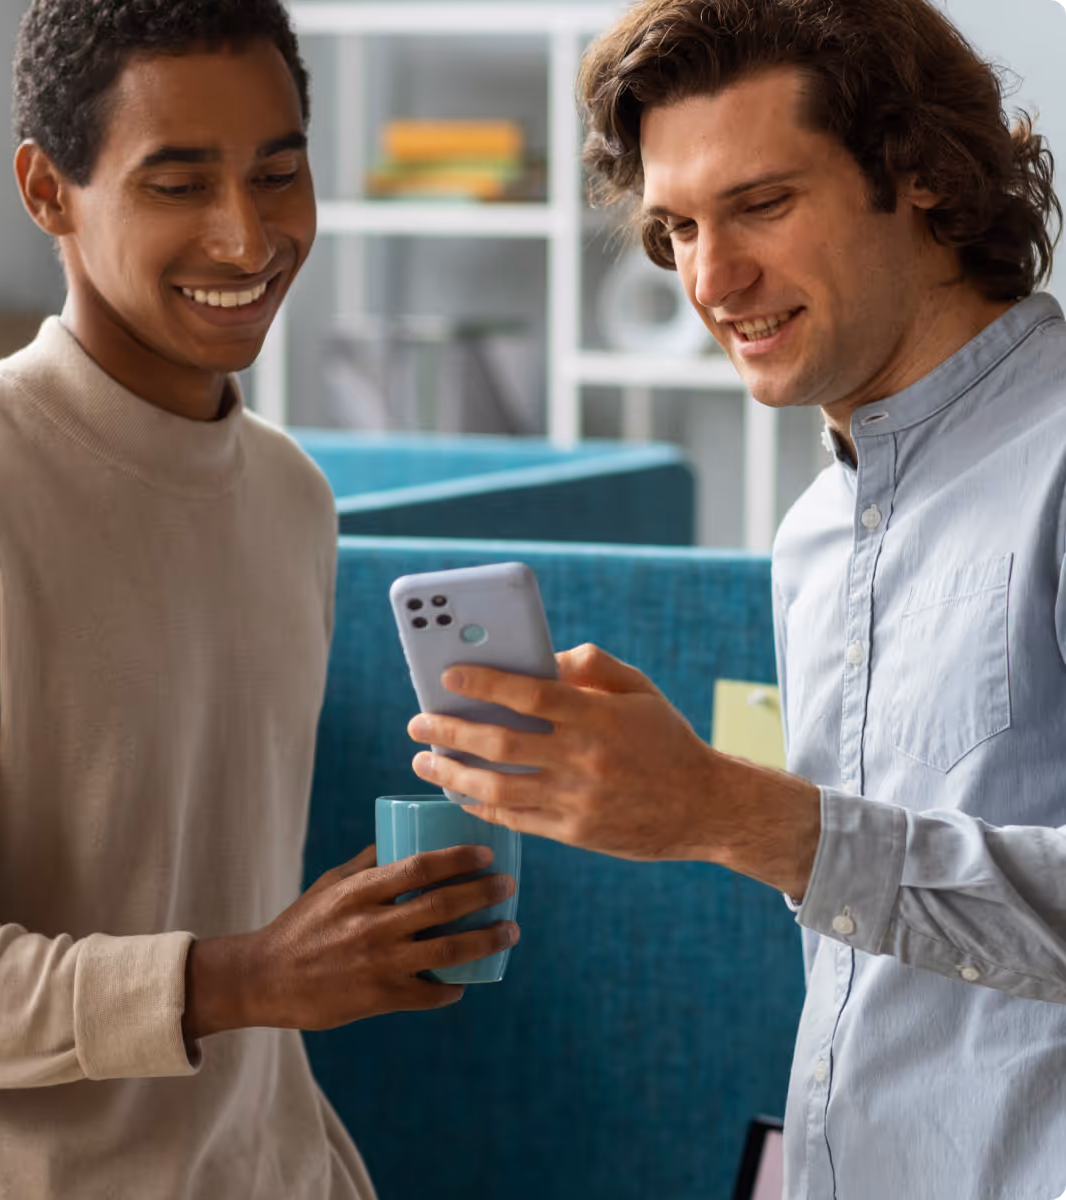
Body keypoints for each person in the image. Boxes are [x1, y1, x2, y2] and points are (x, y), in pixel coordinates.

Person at [406, 1, 1066, 1196]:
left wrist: (730, 812)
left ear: (921, 169)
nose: (711, 280)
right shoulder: (814, 534)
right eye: (678, 227)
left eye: (761, 204)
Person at [0, 2, 517, 1197]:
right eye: (178, 184)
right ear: (48, 191)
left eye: (277, 174)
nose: (247, 237)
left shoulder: (290, 498)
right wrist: (242, 979)